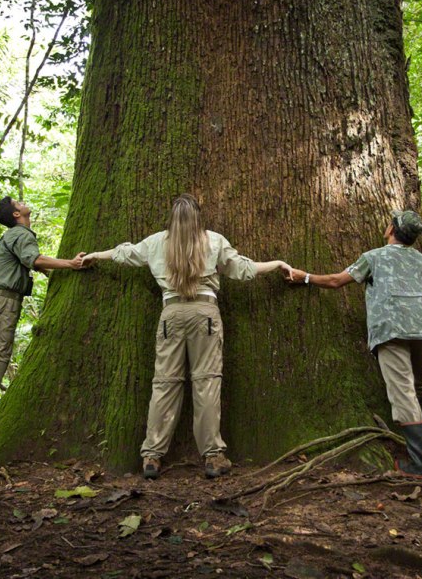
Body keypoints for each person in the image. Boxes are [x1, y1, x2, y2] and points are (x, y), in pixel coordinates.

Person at [80, 194, 291, 480]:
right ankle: (213, 456)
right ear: (198, 217)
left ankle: (152, 456)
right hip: (204, 314)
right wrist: (277, 263)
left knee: (165, 383)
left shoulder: (156, 242)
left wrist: (96, 255)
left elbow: (126, 253)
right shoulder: (214, 240)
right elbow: (243, 269)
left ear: (172, 218)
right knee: (206, 382)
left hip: (171, 314)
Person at [286, 210, 422, 478]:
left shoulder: (374, 257)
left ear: (391, 230)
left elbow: (336, 281)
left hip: (393, 330)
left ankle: (418, 464)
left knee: (403, 391)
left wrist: (304, 277)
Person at [0, 196, 85, 430]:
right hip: (4, 302)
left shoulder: (15, 236)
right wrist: (71, 264)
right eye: (18, 203)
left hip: (3, 301)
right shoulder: (20, 234)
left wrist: (53, 271)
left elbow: (32, 263)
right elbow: (35, 260)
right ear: (16, 214)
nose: (22, 203)